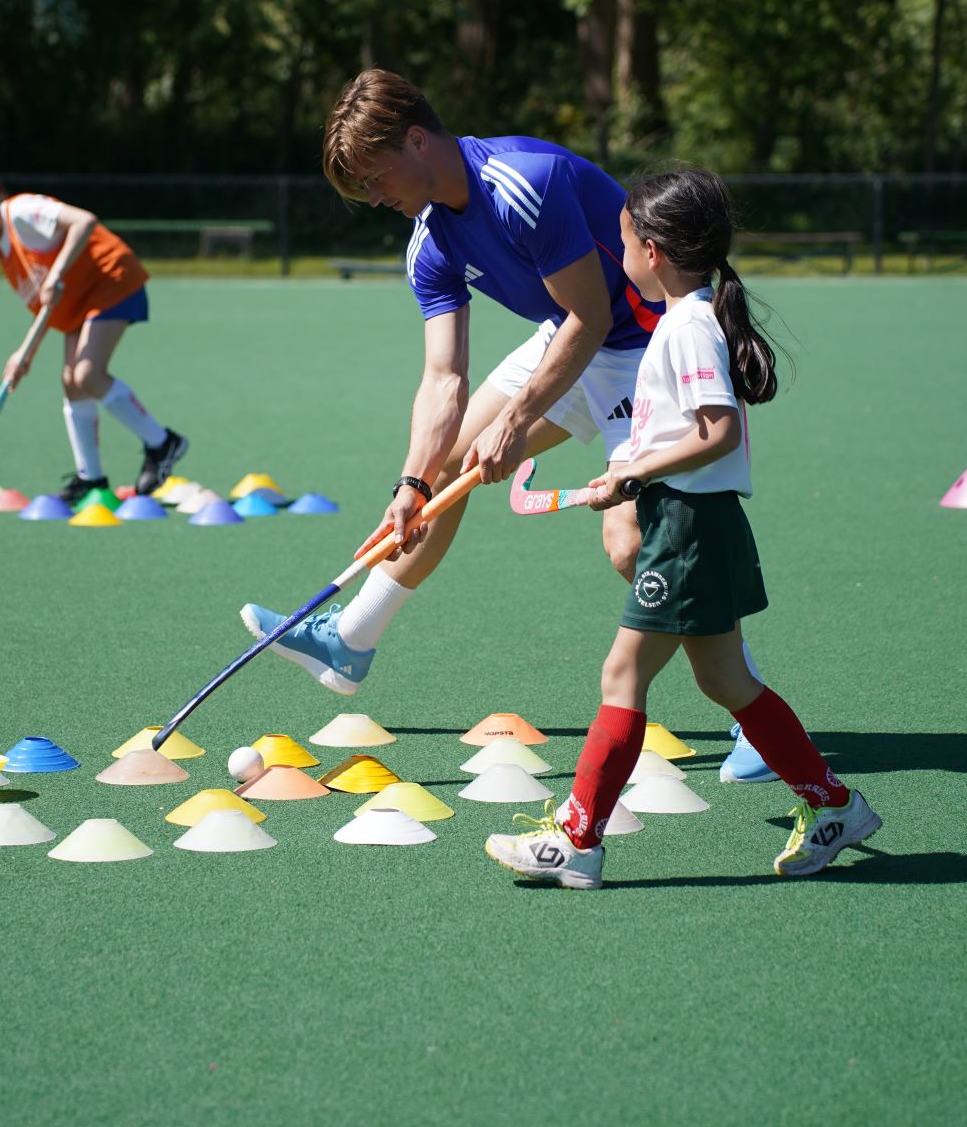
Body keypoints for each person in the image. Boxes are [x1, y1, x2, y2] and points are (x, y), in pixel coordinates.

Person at [484, 167, 881, 885]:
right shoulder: (683, 322)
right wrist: (627, 475)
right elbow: (681, 433)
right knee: (726, 678)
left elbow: (718, 430)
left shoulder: (689, 327)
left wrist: (638, 471)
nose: (618, 257)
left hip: (688, 529)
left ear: (653, 251)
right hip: (693, 520)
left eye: (622, 243)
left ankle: (577, 839)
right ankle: (834, 806)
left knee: (622, 674)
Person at [240, 69, 668, 692]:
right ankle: (350, 640)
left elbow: (593, 316)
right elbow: (443, 378)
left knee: (630, 546)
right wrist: (410, 484)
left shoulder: (524, 184)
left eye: (375, 177)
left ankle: (751, 702)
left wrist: (515, 421)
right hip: (569, 333)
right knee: (444, 466)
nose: (374, 198)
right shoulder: (428, 244)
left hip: (648, 344)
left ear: (417, 141)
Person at [0, 173, 187, 501]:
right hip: (79, 299)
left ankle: (163, 443)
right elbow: (45, 307)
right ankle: (90, 478)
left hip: (109, 278)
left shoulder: (21, 211)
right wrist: (24, 354)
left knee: (87, 374)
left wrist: (56, 272)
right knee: (71, 381)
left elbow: (84, 221)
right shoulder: (5, 251)